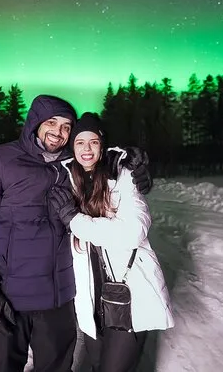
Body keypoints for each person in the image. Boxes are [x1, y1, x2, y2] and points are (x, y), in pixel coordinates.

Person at [0, 95, 152, 372]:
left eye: (66, 127)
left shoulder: (71, 166)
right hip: (11, 296)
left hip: (59, 300)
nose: (58, 132)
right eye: (51, 122)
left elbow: (98, 154)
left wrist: (130, 160)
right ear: (35, 123)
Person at [48, 112, 175, 372]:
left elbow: (132, 232)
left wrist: (75, 220)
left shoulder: (123, 176)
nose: (86, 148)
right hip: (91, 299)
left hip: (128, 295)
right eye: (80, 142)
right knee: (97, 364)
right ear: (72, 147)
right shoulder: (67, 182)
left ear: (102, 145)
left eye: (93, 142)